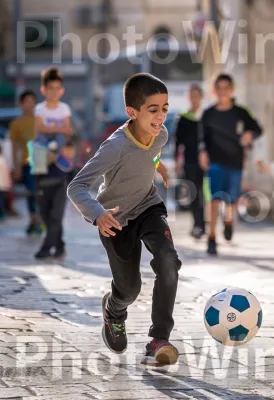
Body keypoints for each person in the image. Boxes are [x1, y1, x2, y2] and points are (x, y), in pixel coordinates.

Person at [67, 73, 179, 365]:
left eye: (165, 108)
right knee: (129, 289)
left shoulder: (161, 134)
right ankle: (114, 311)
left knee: (168, 261)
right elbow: (76, 186)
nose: (161, 116)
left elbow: (149, 153)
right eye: (153, 110)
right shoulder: (114, 146)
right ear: (132, 112)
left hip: (148, 207)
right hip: (115, 219)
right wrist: (97, 214)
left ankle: (159, 338)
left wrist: (158, 165)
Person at [199, 73, 262, 255]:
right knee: (214, 198)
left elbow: (257, 128)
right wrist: (202, 152)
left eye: (227, 88)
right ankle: (211, 238)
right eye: (219, 88)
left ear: (232, 90)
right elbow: (202, 137)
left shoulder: (241, 112)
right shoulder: (208, 114)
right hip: (215, 162)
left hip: (235, 162)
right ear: (214, 91)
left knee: (232, 200)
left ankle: (228, 221)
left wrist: (250, 135)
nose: (223, 92)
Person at [32, 66, 73, 259]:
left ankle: (46, 248)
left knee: (56, 212)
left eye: (57, 88)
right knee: (46, 212)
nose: (54, 92)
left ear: (62, 90)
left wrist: (51, 129)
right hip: (41, 166)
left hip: (61, 166)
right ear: (43, 89)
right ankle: (59, 244)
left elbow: (67, 130)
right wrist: (57, 128)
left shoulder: (64, 108)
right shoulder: (39, 108)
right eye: (50, 88)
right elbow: (38, 128)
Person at [174, 83, 205, 239]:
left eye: (197, 95)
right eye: (191, 96)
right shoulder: (183, 117)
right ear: (188, 98)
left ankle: (204, 224)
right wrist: (177, 161)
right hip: (190, 160)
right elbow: (177, 141)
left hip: (207, 160)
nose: (194, 99)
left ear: (201, 97)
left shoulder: (207, 116)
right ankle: (197, 224)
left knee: (206, 193)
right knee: (193, 191)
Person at [9, 90, 43, 234]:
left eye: (32, 101)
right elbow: (14, 147)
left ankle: (38, 219)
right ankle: (34, 218)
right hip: (26, 163)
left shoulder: (41, 120)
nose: (30, 104)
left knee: (40, 192)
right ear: (21, 104)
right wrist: (16, 167)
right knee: (31, 192)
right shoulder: (16, 124)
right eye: (27, 101)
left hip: (41, 162)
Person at [0, 144, 11, 221]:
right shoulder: (4, 160)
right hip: (4, 185)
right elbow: (7, 173)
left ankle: (2, 214)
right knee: (2, 200)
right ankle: (2, 213)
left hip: (2, 185)